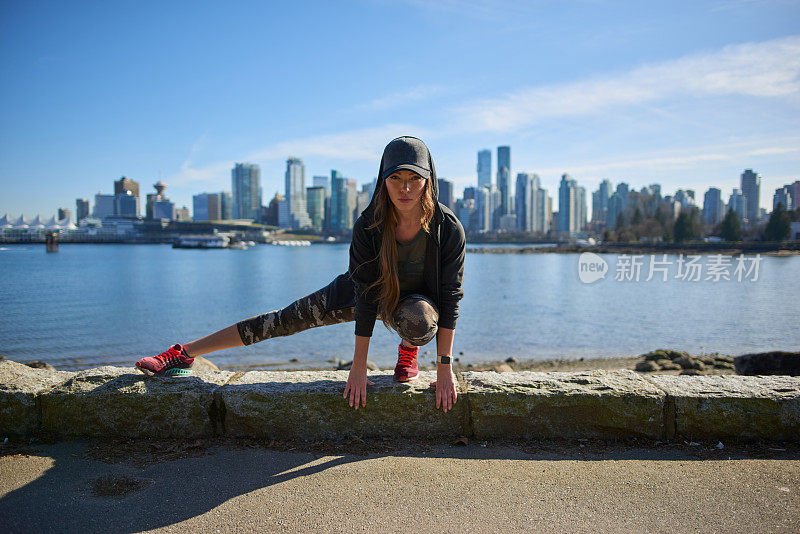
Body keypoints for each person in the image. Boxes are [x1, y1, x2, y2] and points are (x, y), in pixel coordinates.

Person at [135, 136, 466, 413]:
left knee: (420, 319)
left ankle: (408, 351)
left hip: (413, 305)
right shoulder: (369, 225)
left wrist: (445, 367)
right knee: (282, 320)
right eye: (396, 178)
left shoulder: (446, 228)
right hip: (363, 293)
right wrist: (358, 366)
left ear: (428, 181)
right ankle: (184, 352)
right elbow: (365, 298)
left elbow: (449, 298)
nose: (405, 188)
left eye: (414, 179)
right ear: (383, 180)